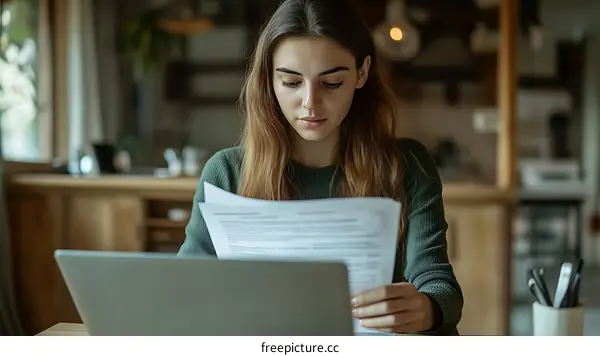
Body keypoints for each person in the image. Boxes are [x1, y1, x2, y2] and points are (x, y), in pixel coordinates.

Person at [178, 0, 463, 336]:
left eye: (331, 83)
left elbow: (438, 283)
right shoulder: (225, 172)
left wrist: (427, 307)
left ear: (362, 73)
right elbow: (186, 290)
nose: (310, 102)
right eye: (291, 82)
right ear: (269, 79)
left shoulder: (408, 166)